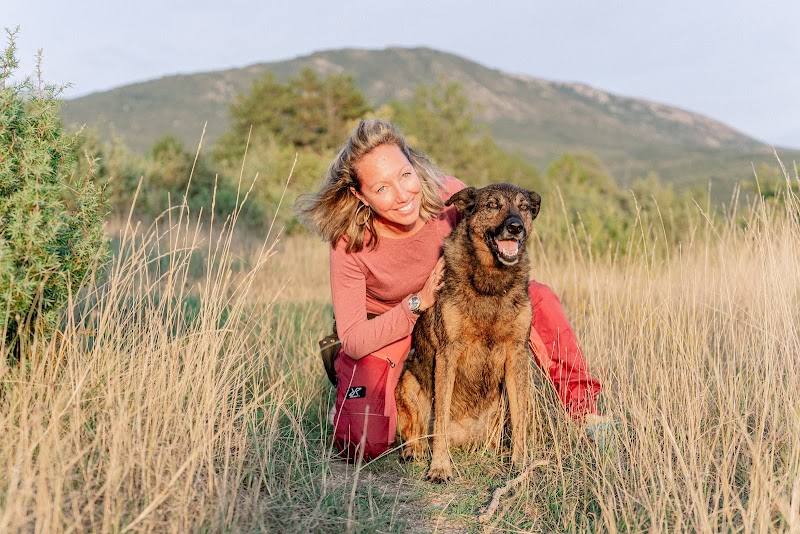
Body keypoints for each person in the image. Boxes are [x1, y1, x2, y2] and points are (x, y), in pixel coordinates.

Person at [296, 118, 612, 460]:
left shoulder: (449, 196)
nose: (403, 196)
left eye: (405, 175)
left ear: (414, 166)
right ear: (360, 195)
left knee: (540, 298)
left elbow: (494, 232)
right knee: (362, 446)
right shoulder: (349, 239)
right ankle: (353, 387)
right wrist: (417, 303)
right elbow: (356, 337)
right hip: (388, 326)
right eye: (382, 188)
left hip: (453, 307)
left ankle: (585, 415)